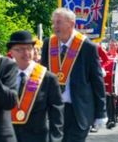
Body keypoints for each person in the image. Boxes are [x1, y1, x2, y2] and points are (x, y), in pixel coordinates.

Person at [41, 8, 107, 142]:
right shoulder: (49, 44)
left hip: (78, 110)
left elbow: (97, 80)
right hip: (54, 109)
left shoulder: (87, 47)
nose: (55, 27)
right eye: (53, 23)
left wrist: (101, 112)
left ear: (71, 24)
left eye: (58, 22)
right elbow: (43, 75)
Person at [7, 31, 64, 142]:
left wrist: (55, 139)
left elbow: (56, 113)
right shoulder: (4, 75)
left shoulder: (48, 78)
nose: (26, 53)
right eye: (19, 49)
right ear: (11, 52)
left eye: (29, 48)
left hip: (38, 137)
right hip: (9, 137)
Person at [104, 39, 118, 129]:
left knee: (113, 102)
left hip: (115, 85)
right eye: (111, 45)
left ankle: (112, 119)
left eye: (114, 46)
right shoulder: (105, 55)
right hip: (104, 84)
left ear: (117, 47)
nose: (112, 47)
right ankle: (109, 118)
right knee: (107, 102)